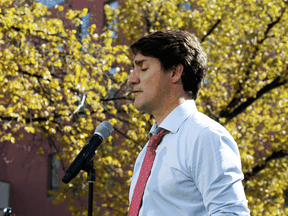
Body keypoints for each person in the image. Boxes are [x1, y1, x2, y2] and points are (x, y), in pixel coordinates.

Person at [127, 29, 250, 215]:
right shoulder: (148, 150)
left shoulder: (206, 136)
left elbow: (231, 212)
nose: (131, 79)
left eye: (143, 68)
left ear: (175, 72)